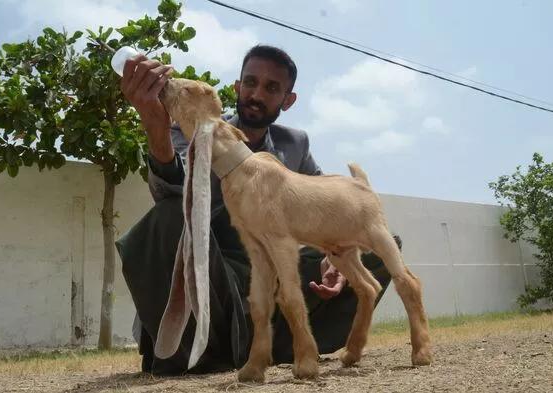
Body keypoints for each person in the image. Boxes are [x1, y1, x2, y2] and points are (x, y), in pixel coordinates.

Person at [116, 44, 399, 375]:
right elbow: (172, 192)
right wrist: (155, 126)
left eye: (272, 88)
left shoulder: (295, 144)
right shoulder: (197, 126)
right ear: (237, 87)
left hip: (274, 270)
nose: (256, 94)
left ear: (287, 101)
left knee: (379, 249)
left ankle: (272, 344)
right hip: (217, 272)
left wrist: (332, 256)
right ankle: (211, 346)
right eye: (250, 82)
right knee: (166, 218)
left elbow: (324, 207)